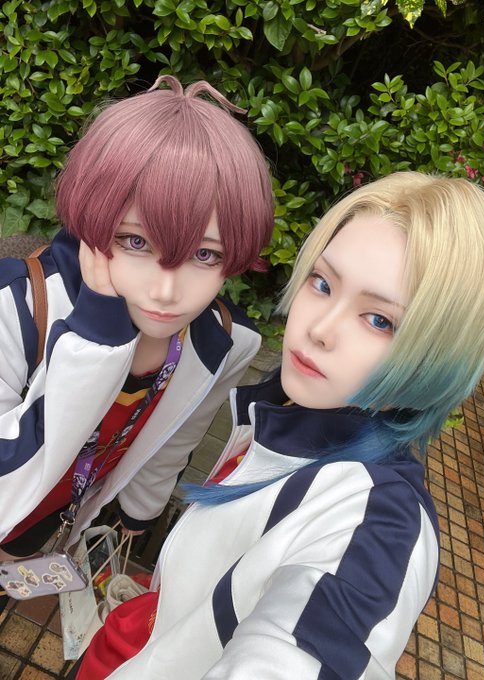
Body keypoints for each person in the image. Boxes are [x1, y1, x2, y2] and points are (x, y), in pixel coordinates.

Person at [75, 170, 484, 680]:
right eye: (322, 283)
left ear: (443, 358)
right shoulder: (280, 410)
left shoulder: (377, 527)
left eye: (380, 320)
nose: (319, 329)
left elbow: (313, 642)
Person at [0, 75, 274, 583]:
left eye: (204, 253)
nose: (167, 291)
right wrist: (98, 338)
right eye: (136, 242)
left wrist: (139, 513)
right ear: (93, 220)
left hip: (54, 530)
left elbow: (175, 437)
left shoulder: (224, 342)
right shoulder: (15, 307)